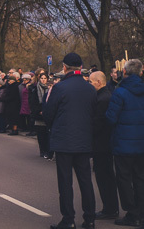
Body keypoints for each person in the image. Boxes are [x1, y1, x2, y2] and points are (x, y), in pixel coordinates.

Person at [43, 53, 97, 229]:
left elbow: (49, 113)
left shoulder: (60, 88)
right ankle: (89, 218)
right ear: (81, 68)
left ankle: (68, 219)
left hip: (64, 140)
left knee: (65, 183)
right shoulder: (90, 88)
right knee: (86, 181)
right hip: (84, 140)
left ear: (65, 67)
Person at [106, 59, 144, 227]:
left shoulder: (120, 92)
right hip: (141, 143)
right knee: (140, 178)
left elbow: (111, 118)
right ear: (140, 73)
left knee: (124, 178)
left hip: (123, 143)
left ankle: (132, 211)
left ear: (125, 73)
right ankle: (141, 211)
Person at [88, 71, 119, 220]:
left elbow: (98, 122)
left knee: (104, 176)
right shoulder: (104, 96)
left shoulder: (103, 98)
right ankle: (110, 207)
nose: (89, 85)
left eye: (91, 82)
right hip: (104, 143)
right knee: (104, 175)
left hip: (102, 144)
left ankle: (110, 208)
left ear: (98, 82)